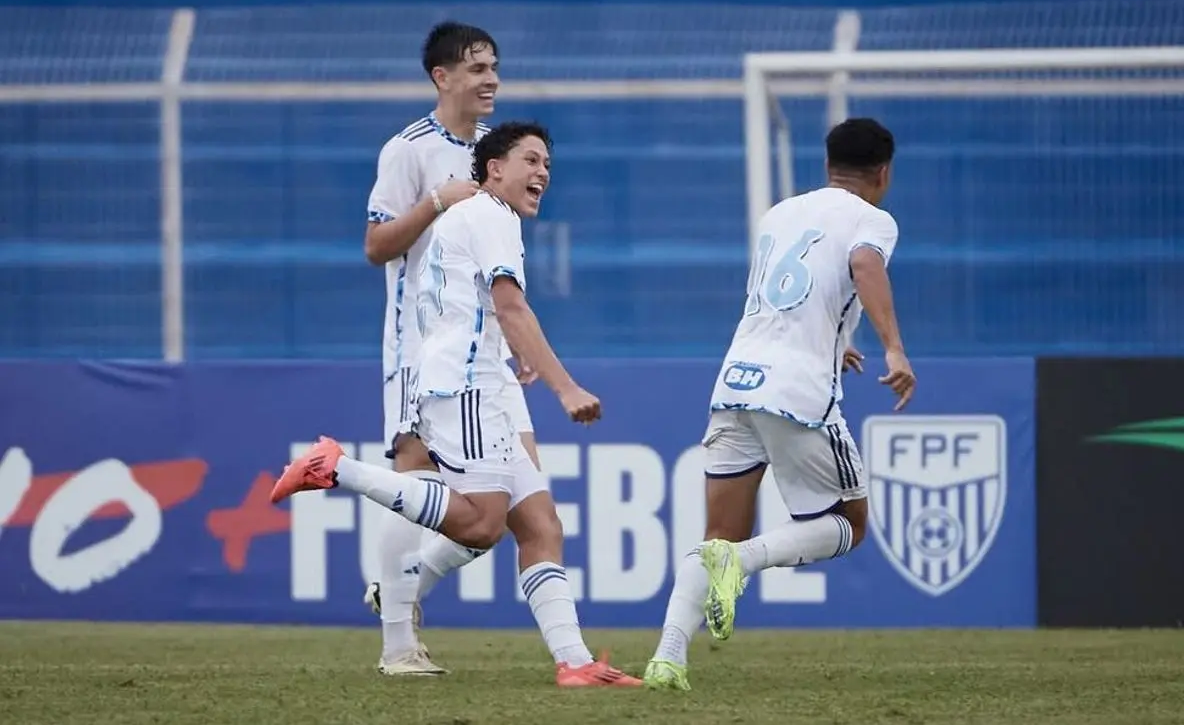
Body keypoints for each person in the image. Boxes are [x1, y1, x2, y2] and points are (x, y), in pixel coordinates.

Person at [275, 121, 641, 688]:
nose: (543, 172)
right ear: (494, 168)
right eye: (531, 160)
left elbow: (481, 310)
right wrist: (564, 386)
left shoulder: (475, 218)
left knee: (540, 525)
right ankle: (336, 468)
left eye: (548, 164)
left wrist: (509, 350)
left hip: (478, 379)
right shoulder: (491, 214)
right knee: (481, 526)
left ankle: (575, 662)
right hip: (466, 387)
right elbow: (511, 306)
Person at [642, 118, 916, 691]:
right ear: (884, 172)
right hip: (797, 392)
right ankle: (740, 565)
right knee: (848, 521)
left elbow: (781, 295)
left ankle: (668, 659)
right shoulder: (873, 220)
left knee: (719, 532)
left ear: (826, 165)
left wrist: (834, 342)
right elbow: (864, 266)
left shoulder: (780, 212)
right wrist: (893, 348)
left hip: (735, 382)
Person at [360, 21, 550, 677]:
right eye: (476, 68)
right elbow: (376, 245)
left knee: (509, 503)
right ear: (443, 78)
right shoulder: (409, 151)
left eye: (494, 65)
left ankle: (403, 588)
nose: (490, 78)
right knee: (416, 476)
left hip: (488, 357)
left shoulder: (497, 156)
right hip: (422, 349)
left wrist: (516, 342)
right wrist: (439, 200)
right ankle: (396, 645)